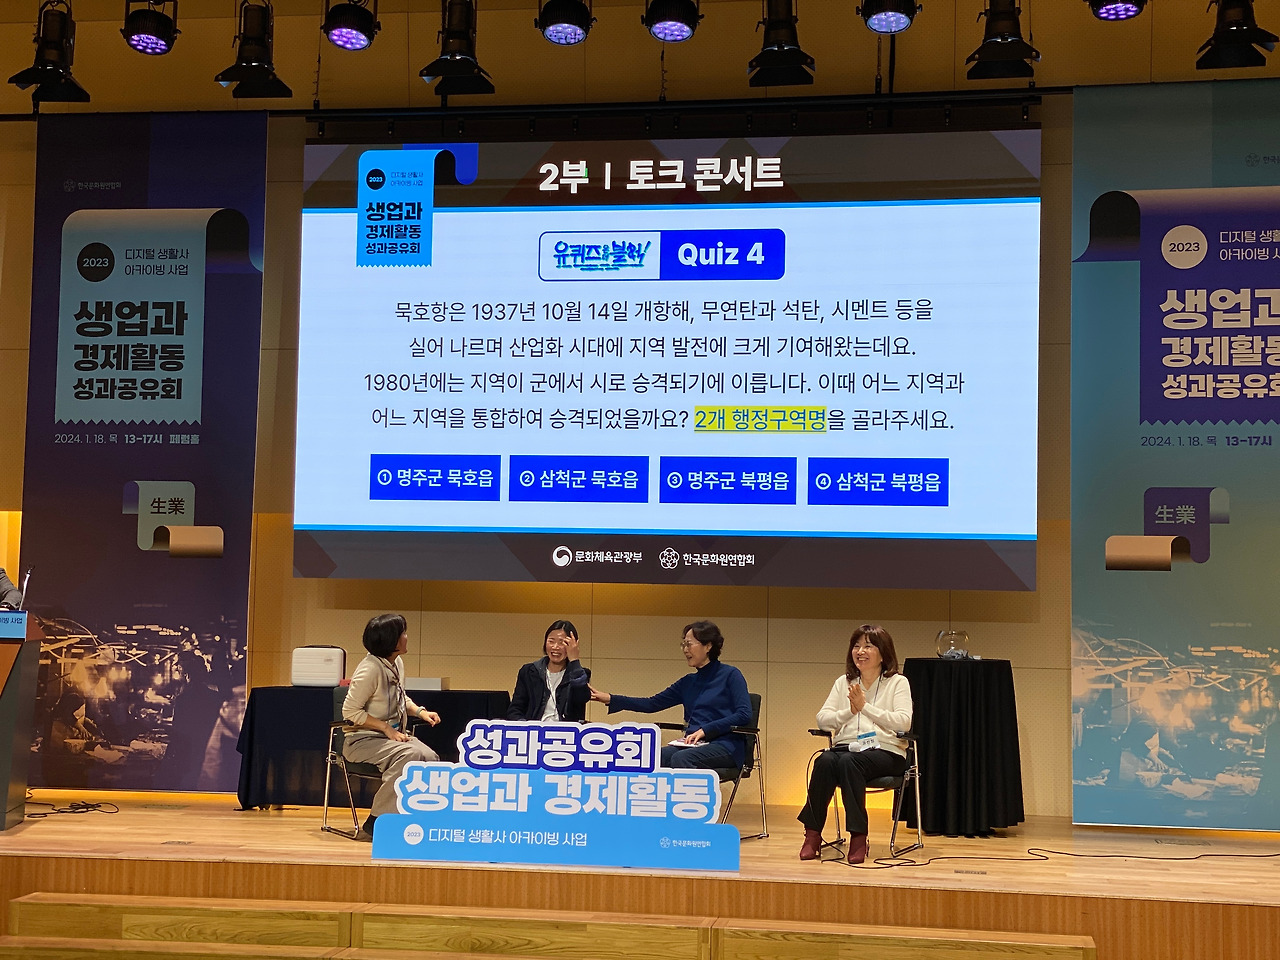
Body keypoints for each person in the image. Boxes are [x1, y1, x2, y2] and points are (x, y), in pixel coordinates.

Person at [798, 624, 913, 864]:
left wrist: (865, 707)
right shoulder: (844, 682)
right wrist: (849, 712)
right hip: (847, 749)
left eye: (868, 646)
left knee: (850, 763)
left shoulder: (897, 682)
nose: (860, 651)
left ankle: (859, 837)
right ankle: (812, 835)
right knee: (824, 760)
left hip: (886, 752)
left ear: (883, 653)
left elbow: (904, 722)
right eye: (856, 646)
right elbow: (823, 718)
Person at [589, 620, 751, 770]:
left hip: (725, 745)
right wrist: (611, 699)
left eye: (689, 644)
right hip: (693, 744)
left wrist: (706, 730)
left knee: (681, 758)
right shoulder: (688, 682)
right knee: (651, 758)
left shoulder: (730, 675)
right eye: (683, 645)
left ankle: (690, 794)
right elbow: (652, 704)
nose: (685, 650)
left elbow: (744, 714)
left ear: (708, 646)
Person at [341, 613, 442, 841]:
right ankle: (378, 820)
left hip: (391, 738)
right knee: (410, 755)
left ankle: (416, 816)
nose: (406, 637)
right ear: (391, 640)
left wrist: (420, 712)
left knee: (431, 758)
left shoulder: (396, 663)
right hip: (362, 740)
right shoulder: (370, 669)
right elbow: (350, 711)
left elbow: (400, 697)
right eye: (402, 633)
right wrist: (386, 729)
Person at [508, 619, 591, 723]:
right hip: (534, 729)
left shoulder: (579, 674)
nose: (555, 647)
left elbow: (581, 698)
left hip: (565, 731)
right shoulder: (529, 671)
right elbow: (515, 709)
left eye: (562, 643)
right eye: (551, 641)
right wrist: (525, 726)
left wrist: (574, 660)